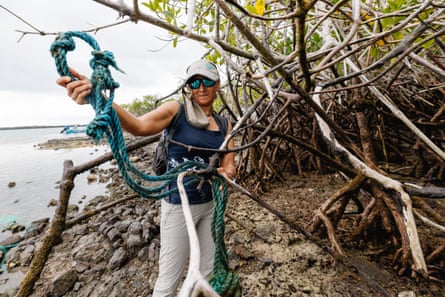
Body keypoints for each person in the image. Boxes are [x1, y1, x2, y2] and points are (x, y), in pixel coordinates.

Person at [56, 59, 236, 297]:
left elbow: (229, 164)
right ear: (188, 87)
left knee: (208, 271)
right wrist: (97, 96)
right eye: (195, 82)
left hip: (211, 205)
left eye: (207, 81)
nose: (201, 87)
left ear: (218, 85)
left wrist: (226, 174)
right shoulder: (176, 111)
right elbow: (138, 126)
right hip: (177, 205)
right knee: (168, 281)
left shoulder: (225, 124)